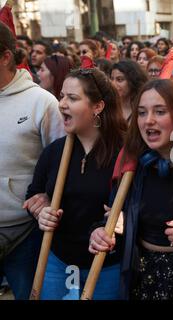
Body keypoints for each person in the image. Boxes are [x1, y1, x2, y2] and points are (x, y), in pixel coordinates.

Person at [25, 68, 127, 300]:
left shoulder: (125, 152)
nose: (62, 104)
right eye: (62, 96)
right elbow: (33, 195)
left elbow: (139, 206)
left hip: (106, 266)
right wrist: (40, 212)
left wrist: (118, 223)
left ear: (97, 107)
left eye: (72, 98)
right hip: (57, 261)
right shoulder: (54, 151)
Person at [89, 79, 173, 300]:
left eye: (160, 111)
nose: (149, 121)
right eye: (142, 113)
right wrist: (100, 232)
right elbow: (113, 216)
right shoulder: (132, 166)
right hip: (141, 274)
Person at [0, 22, 64, 300]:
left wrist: (47, 197)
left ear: (5, 57)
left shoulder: (42, 102)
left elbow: (62, 163)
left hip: (26, 234)